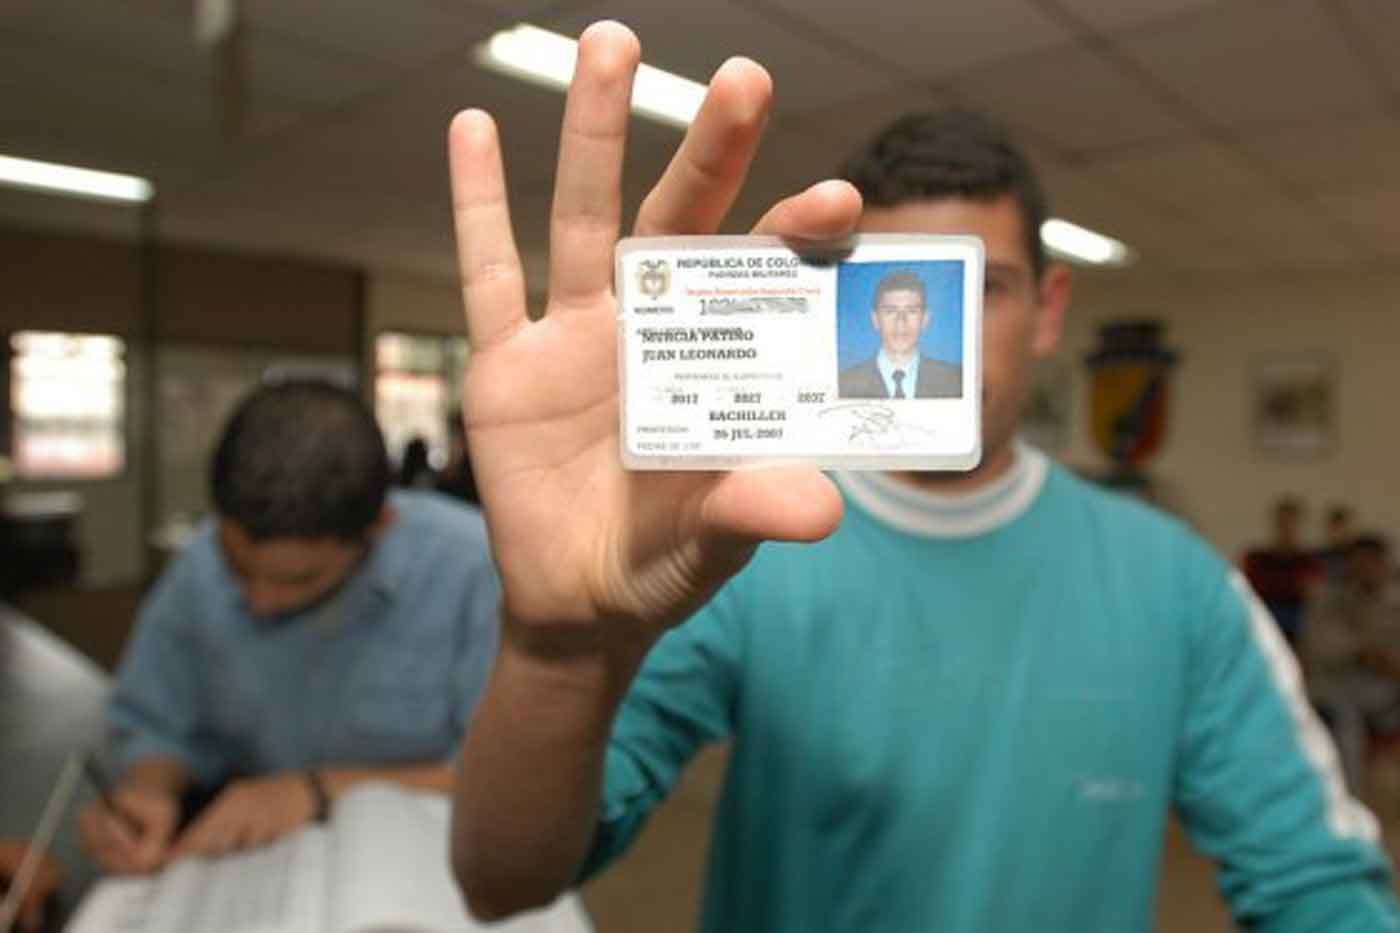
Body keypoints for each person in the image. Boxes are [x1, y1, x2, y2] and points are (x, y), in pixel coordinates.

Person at [444, 22, 1397, 932]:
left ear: (1049, 307)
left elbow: (1317, 882)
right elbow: (504, 878)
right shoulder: (732, 543)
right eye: (894, 289)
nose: (935, 327)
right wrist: (555, 655)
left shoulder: (1180, 585)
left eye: (979, 287)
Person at [79, 380, 499, 874]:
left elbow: (509, 782)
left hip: (422, 863)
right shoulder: (200, 564)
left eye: (298, 581)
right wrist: (148, 790)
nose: (259, 602)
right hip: (249, 868)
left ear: (379, 526)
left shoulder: (476, 570)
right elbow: (158, 722)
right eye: (237, 568)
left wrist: (318, 792)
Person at [1305, 533, 1400, 793]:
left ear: (1384, 564)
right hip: (1341, 686)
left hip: (1387, 690)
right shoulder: (1330, 599)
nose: (1364, 570)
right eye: (1358, 563)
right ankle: (1348, 797)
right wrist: (1365, 653)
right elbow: (1323, 645)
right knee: (1342, 713)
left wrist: (1386, 661)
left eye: (1371, 562)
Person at [837, 269, 962, 399]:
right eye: (890, 311)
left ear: (925, 320)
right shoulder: (844, 383)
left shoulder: (955, 381)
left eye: (911, 311)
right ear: (875, 320)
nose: (900, 321)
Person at [1243, 497, 1324, 647]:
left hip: (1302, 630)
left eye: (1291, 524)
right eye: (1283, 523)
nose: (1287, 529)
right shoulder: (1257, 559)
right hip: (1265, 625)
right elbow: (1250, 592)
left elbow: (1313, 594)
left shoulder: (1310, 561)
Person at [1316, 504, 1358, 582]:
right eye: (1335, 528)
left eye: (1343, 527)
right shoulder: (1319, 557)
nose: (1339, 533)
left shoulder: (1358, 557)